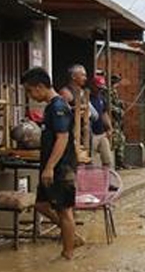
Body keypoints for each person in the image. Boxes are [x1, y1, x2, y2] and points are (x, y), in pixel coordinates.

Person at [23, 67, 80, 259]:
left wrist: (49, 168)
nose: (30, 96)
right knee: (41, 204)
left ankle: (68, 253)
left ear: (40, 87)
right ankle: (71, 235)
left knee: (64, 210)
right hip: (54, 166)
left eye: (30, 91)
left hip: (61, 168)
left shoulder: (58, 107)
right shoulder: (51, 107)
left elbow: (62, 138)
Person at [87, 74, 114, 166]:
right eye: (98, 87)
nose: (100, 90)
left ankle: (106, 178)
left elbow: (104, 113)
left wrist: (109, 128)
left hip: (102, 134)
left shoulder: (101, 98)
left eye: (101, 88)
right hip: (91, 135)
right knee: (92, 161)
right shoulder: (86, 98)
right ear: (92, 86)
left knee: (108, 160)